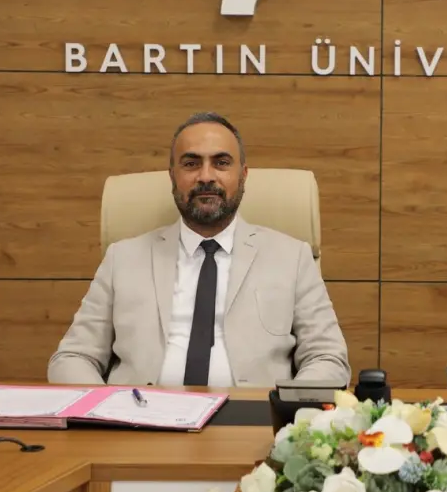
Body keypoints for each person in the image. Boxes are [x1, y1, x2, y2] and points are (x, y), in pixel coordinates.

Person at [47, 112, 351, 388]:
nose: (206, 176)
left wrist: (284, 410)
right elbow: (73, 357)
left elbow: (327, 358)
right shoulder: (122, 259)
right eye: (191, 164)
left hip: (251, 422)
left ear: (243, 175)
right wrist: (107, 410)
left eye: (221, 162)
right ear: (172, 176)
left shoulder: (292, 258)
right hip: (141, 420)